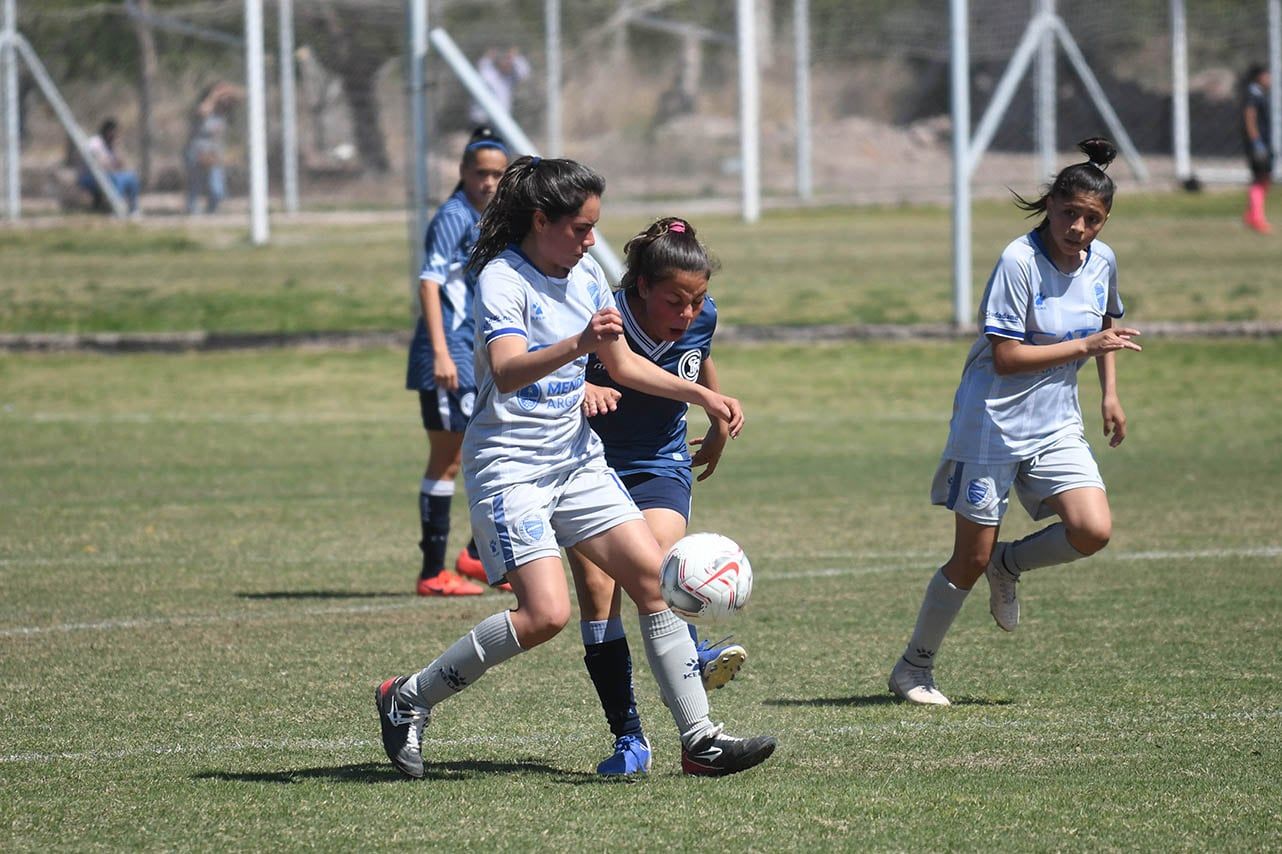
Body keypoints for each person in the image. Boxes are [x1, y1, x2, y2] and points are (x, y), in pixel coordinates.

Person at [374, 155, 776, 779]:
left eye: (594, 227)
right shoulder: (502, 281)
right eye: (582, 228)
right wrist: (576, 344)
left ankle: (700, 740)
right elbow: (507, 371)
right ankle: (409, 697)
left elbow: (623, 366)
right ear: (543, 220)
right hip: (511, 468)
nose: (593, 241)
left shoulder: (585, 272)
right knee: (546, 617)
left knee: (654, 581)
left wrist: (702, 396)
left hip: (577, 459)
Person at [887, 138, 1142, 707]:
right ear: (1049, 204)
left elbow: (1107, 326)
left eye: (1092, 219)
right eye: (1069, 212)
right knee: (967, 559)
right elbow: (1005, 357)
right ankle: (913, 669)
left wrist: (1110, 395)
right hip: (992, 423)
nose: (1078, 227)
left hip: (1056, 423)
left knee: (1092, 530)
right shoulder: (1018, 261)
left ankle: (1011, 562)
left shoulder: (1102, 261)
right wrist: (1086, 343)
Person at [568, 216, 749, 776]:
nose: (689, 313)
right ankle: (630, 739)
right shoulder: (603, 316)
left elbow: (700, 353)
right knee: (600, 598)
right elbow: (552, 376)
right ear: (641, 287)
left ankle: (692, 691)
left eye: (698, 300)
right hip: (585, 466)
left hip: (658, 463)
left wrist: (716, 417)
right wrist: (584, 388)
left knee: (657, 565)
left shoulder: (700, 317)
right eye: (676, 301)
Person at [407, 128, 512, 597]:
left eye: (497, 174)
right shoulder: (453, 216)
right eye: (481, 173)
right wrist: (443, 354)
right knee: (447, 461)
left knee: (493, 448)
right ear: (463, 173)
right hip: (446, 354)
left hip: (472, 354)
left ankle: (474, 555)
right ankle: (432, 573)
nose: (489, 182)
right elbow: (430, 284)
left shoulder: (489, 219)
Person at [184, 82, 243, 215]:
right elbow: (203, 111)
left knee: (217, 187)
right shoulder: (205, 108)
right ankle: (192, 211)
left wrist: (228, 90)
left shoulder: (223, 112)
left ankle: (212, 211)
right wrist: (214, 95)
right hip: (197, 151)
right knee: (195, 184)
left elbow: (242, 96)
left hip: (214, 153)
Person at [77, 119, 140, 214]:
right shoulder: (95, 142)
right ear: (106, 131)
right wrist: (112, 164)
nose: (114, 135)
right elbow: (99, 164)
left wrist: (116, 148)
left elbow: (122, 164)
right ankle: (115, 208)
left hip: (110, 175)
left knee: (131, 177)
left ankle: (134, 209)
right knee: (116, 179)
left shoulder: (112, 144)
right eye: (113, 132)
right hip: (90, 176)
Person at [1242, 63, 1274, 234]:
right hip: (1257, 144)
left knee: (1264, 179)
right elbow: (1249, 116)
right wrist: (1256, 141)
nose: (1270, 79)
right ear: (1258, 77)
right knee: (1260, 178)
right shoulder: (1253, 94)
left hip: (1263, 142)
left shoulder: (1260, 93)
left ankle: (1251, 215)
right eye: (1267, 75)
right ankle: (1256, 218)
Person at [468, 47, 530, 125]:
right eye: (505, 61)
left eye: (509, 63)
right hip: (483, 119)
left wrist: (516, 58)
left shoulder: (510, 79)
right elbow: (482, 67)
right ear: (499, 63)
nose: (507, 64)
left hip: (501, 120)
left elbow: (524, 73)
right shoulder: (489, 74)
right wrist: (488, 57)